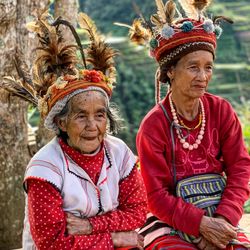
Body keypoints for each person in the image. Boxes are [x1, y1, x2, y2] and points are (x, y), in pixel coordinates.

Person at [1, 11, 147, 249]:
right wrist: (115, 237)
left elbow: (138, 211)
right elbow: (53, 243)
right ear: (61, 122)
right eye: (81, 116)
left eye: (100, 115)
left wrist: (89, 226)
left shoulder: (118, 152)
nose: (92, 126)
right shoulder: (44, 169)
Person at [127, 0, 250, 249]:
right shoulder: (154, 126)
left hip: (219, 211)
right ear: (170, 70)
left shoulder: (221, 111)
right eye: (193, 67)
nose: (203, 77)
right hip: (171, 217)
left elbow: (240, 169)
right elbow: (155, 196)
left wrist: (222, 220)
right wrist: (200, 225)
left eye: (208, 67)